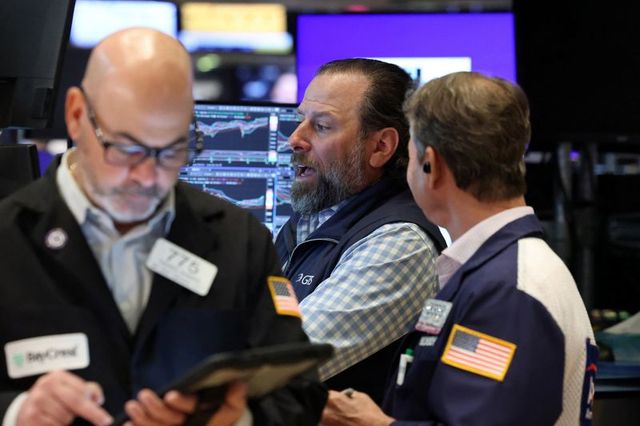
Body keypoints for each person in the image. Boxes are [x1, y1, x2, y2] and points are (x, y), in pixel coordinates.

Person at [0, 28, 326, 425]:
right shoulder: (9, 238)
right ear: (76, 115)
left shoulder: (238, 240)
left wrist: (239, 419)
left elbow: (300, 392)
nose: (148, 177)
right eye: (127, 148)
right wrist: (16, 413)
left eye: (173, 150)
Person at [321, 72, 598, 425]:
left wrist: (374, 424)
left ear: (431, 165)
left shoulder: (507, 291)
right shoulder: (504, 271)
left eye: (410, 157)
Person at [274, 58, 446, 403]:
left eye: (321, 126)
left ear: (381, 146)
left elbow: (278, 363)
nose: (295, 139)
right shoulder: (311, 220)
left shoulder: (400, 243)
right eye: (300, 120)